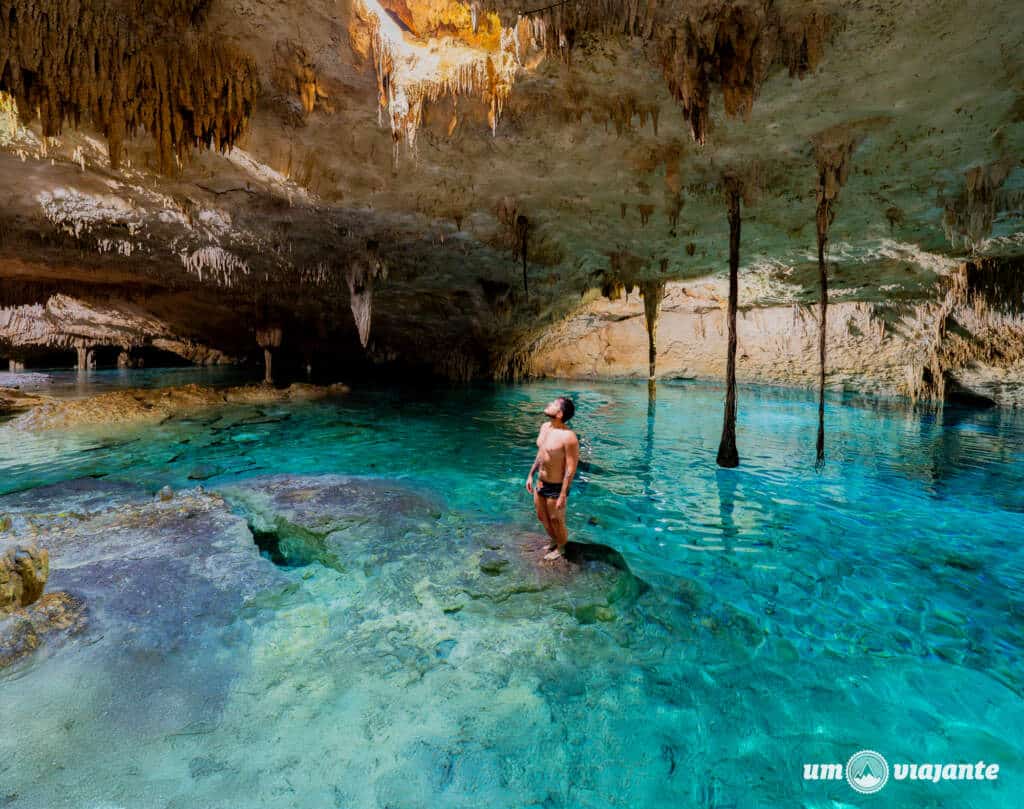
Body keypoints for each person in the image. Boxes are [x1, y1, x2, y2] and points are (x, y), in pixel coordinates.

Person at [525, 396, 579, 560]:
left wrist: (563, 494)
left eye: (553, 404)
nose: (549, 404)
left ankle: (561, 547)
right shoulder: (544, 427)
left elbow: (571, 468)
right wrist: (530, 474)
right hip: (540, 481)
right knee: (542, 516)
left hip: (556, 486)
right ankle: (554, 540)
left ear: (560, 414)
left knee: (556, 519)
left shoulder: (569, 437)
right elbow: (542, 454)